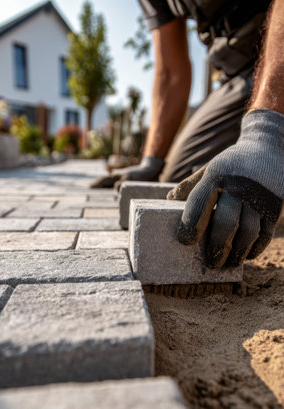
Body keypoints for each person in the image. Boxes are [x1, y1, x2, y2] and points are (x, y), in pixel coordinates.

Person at [92, 0, 283, 269]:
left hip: (278, 49)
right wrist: (152, 162)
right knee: (182, 186)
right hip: (241, 74)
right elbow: (170, 72)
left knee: (253, 179)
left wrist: (266, 130)